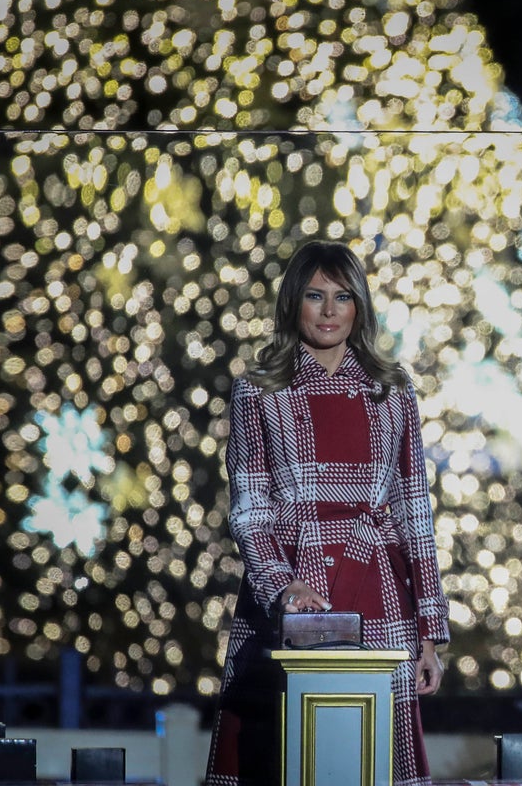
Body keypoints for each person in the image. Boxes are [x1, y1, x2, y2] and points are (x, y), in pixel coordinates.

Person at [206, 240, 450, 786]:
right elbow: (249, 510)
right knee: (284, 761)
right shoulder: (258, 391)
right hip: (290, 593)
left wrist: (430, 632)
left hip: (380, 590)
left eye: (342, 297)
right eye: (315, 296)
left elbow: (415, 514)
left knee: (373, 763)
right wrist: (282, 586)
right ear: (293, 302)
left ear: (359, 306)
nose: (329, 311)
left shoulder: (392, 390)